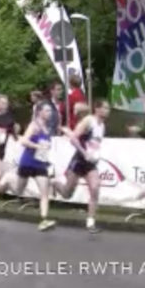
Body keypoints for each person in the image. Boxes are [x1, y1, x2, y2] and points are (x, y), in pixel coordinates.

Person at [52, 100, 110, 234]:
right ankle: (55, 183)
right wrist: (84, 153)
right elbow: (73, 139)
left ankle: (90, 223)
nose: (108, 111)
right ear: (97, 109)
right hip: (79, 160)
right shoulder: (89, 121)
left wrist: (95, 155)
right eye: (105, 108)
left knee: (95, 188)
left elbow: (95, 144)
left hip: (91, 163)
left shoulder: (102, 126)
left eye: (108, 108)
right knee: (67, 193)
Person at [0, 102, 56, 231]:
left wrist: (46, 149)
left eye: (50, 111)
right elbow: (23, 141)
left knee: (44, 193)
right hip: (28, 162)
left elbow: (45, 145)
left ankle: (43, 220)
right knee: (18, 190)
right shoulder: (34, 125)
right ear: (39, 112)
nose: (49, 114)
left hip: (40, 164)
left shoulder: (48, 128)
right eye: (46, 111)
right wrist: (37, 146)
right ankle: (8, 179)